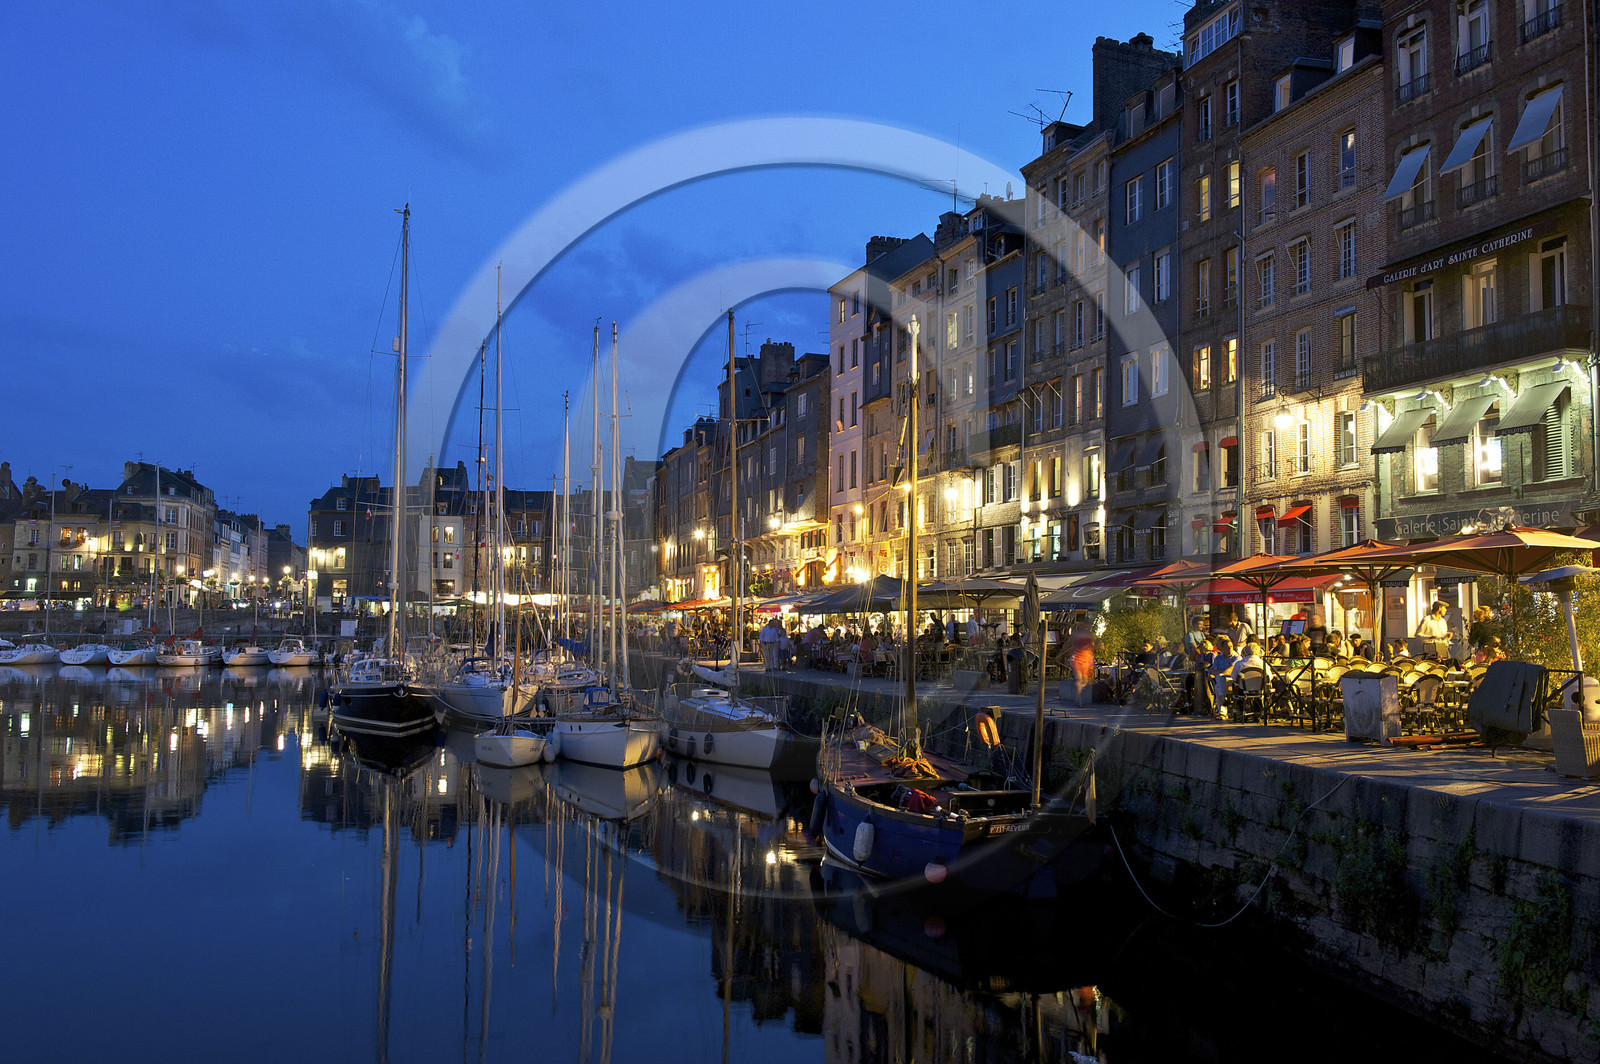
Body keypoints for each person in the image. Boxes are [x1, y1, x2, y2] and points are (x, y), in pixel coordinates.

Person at [1209, 635, 1238, 717]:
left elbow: (1230, 670)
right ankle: (1223, 707)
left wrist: (1218, 672)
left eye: (1231, 647)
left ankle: (1222, 709)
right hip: (1221, 681)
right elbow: (1211, 670)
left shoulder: (1236, 658)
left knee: (1218, 682)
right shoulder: (1218, 658)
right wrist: (1217, 673)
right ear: (1222, 648)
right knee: (1219, 682)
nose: (1230, 649)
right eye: (1227, 647)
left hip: (1232, 681)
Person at [1068, 628, 1096, 708]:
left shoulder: (1088, 636)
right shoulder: (1078, 636)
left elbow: (1091, 646)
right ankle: (1079, 699)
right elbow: (1089, 646)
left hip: (1085, 659)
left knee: (1085, 681)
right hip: (1078, 658)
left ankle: (1077, 697)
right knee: (1079, 679)